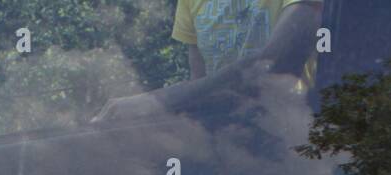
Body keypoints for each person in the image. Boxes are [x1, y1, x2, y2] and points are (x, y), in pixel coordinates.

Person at [93, 0, 324, 123]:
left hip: (293, 140)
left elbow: (273, 67)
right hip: (229, 142)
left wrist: (158, 101)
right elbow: (200, 90)